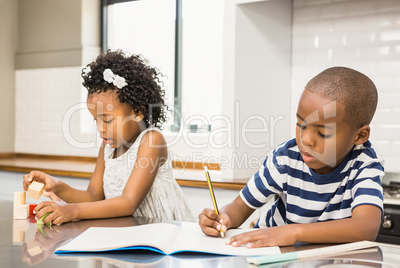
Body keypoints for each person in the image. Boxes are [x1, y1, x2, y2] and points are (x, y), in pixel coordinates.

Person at [199, 66, 384, 248]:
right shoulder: (285, 158)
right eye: (301, 125)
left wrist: (293, 232)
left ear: (359, 136)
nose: (306, 140)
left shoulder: (364, 165)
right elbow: (240, 207)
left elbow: (366, 227)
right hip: (271, 254)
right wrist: (223, 217)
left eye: (323, 133)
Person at [23, 50, 193, 225]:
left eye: (107, 120)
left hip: (168, 233)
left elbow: (128, 202)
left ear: (138, 111)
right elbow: (93, 196)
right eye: (96, 120)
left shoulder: (151, 140)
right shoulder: (108, 147)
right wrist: (58, 186)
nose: (100, 129)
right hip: (136, 233)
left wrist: (72, 210)